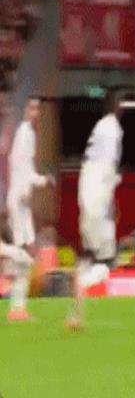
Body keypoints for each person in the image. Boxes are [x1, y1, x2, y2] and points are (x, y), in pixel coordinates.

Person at [66, 87, 126, 330]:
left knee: (89, 256)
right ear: (118, 106)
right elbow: (108, 169)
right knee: (106, 263)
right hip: (98, 201)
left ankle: (76, 315)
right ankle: (83, 282)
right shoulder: (113, 130)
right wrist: (111, 204)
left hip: (85, 198)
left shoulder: (98, 129)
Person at [6, 97, 54, 321]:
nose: (36, 113)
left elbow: (27, 170)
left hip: (23, 203)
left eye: (38, 109)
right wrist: (39, 182)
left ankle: (18, 308)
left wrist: (43, 180)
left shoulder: (29, 134)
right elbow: (20, 169)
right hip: (18, 201)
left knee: (27, 255)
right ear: (25, 109)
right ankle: (17, 308)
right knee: (23, 255)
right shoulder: (24, 134)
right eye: (32, 108)